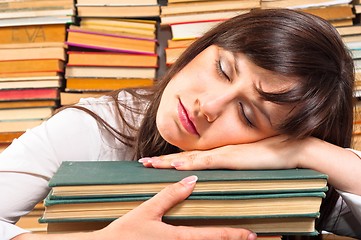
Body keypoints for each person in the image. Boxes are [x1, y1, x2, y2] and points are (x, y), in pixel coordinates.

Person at [1, 8, 360, 239]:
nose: (209, 105)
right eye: (223, 69)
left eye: (249, 115)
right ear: (204, 47)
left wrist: (310, 151)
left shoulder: (295, 165)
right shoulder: (96, 126)